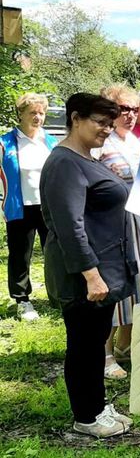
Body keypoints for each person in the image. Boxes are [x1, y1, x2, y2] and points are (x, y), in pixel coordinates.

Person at [41, 93, 135, 438]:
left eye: (110, 124)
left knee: (95, 341)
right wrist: (91, 275)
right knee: (82, 344)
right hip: (82, 274)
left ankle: (96, 405)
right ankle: (86, 417)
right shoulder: (65, 162)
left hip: (101, 269)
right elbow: (69, 225)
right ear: (75, 118)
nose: (107, 130)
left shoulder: (86, 157)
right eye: (100, 122)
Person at [94, 84, 140, 380]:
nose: (131, 115)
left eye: (135, 109)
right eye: (125, 109)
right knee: (116, 290)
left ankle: (126, 347)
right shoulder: (101, 143)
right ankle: (104, 354)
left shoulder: (132, 142)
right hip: (116, 228)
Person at [1, 93, 59, 320]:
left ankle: (56, 296)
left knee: (53, 254)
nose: (38, 117)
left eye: (41, 113)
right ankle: (22, 300)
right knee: (20, 254)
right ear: (21, 114)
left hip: (48, 206)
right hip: (19, 206)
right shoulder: (5, 143)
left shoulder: (51, 142)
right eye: (33, 112)